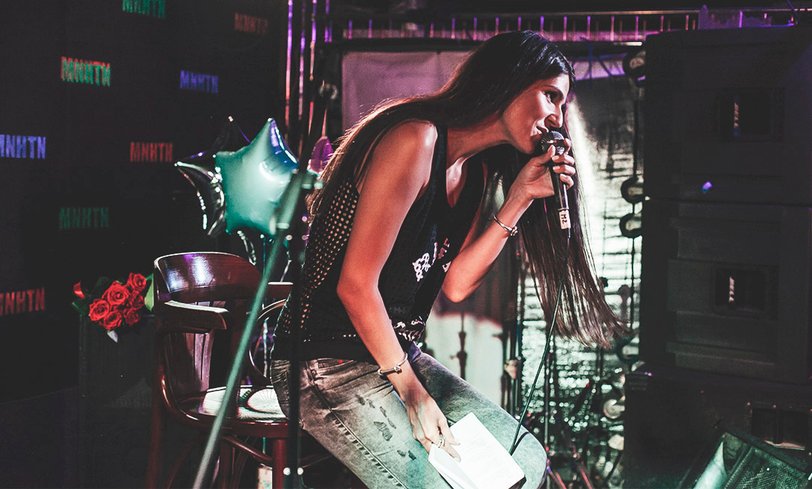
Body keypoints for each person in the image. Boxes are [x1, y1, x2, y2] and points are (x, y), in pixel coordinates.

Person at [271, 30, 625, 488]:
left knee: (524, 462)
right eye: (550, 96)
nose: (557, 117)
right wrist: (413, 394)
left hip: (392, 357)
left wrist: (518, 198)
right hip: (323, 362)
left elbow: (455, 284)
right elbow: (355, 285)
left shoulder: (472, 172)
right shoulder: (415, 140)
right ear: (509, 80)